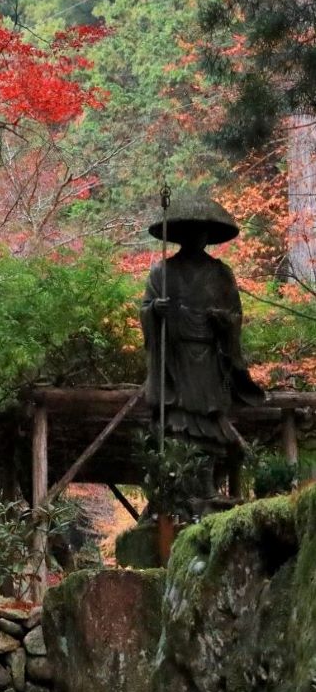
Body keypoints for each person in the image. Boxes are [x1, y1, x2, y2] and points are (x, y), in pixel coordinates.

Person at [141, 195, 264, 504]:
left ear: (210, 236)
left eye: (203, 232)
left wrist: (223, 321)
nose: (198, 237)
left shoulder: (222, 274)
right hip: (177, 359)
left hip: (209, 358)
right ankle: (178, 488)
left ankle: (207, 485)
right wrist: (156, 309)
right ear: (179, 234)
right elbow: (145, 310)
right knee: (178, 424)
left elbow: (236, 316)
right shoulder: (162, 273)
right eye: (191, 231)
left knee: (209, 424)